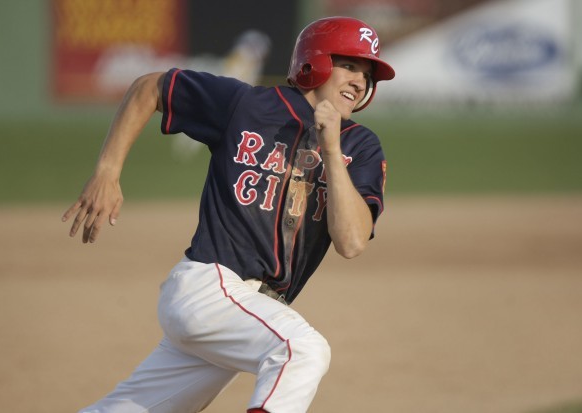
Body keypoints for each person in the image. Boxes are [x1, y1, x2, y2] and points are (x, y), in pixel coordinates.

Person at [62, 16, 395, 413]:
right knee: (301, 348)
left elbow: (352, 242)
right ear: (314, 62)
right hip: (209, 287)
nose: (360, 80)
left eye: (367, 72)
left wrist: (330, 150)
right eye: (350, 65)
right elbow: (151, 87)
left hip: (249, 310)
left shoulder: (361, 146)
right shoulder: (248, 105)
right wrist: (108, 171)